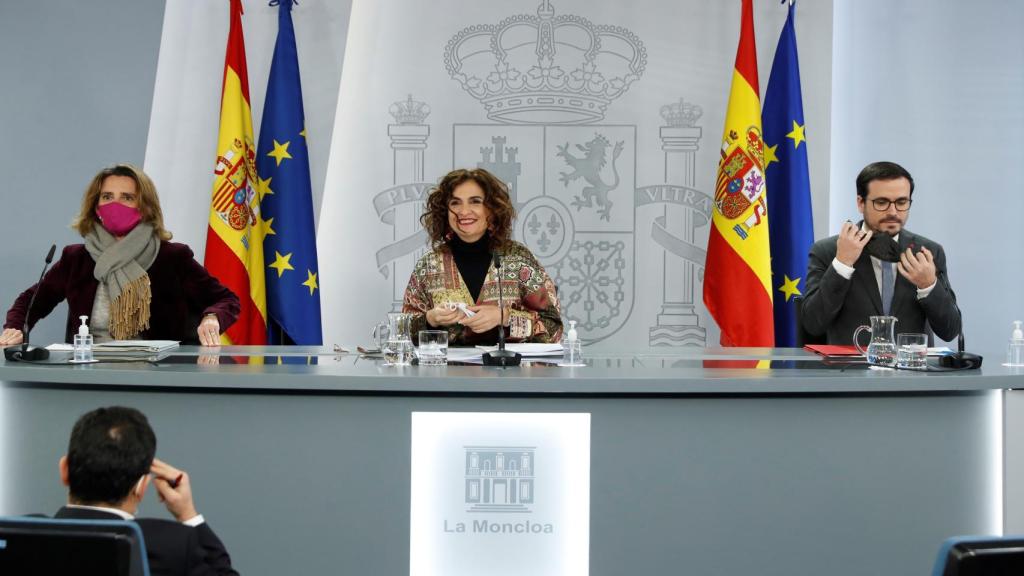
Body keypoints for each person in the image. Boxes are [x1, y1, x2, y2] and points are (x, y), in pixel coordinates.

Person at [0, 164, 239, 346]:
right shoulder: (76, 259)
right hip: (87, 371)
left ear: (145, 206)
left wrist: (212, 318)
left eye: (127, 197)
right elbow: (30, 302)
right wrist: (16, 328)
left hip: (157, 376)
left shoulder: (172, 258)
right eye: (107, 197)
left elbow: (227, 300)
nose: (115, 205)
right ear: (96, 207)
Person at [53, 406, 238, 576]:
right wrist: (188, 514)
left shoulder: (26, 538)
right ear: (141, 487)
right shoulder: (171, 546)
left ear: (64, 470)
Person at [801, 161, 960, 344]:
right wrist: (842, 264)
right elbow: (813, 324)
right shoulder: (828, 251)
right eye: (882, 202)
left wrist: (928, 285)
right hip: (849, 370)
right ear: (861, 203)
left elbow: (950, 331)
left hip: (910, 370)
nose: (893, 211)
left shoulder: (927, 252)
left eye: (901, 202)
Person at [402, 168, 563, 345]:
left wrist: (504, 317)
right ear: (444, 211)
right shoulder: (429, 264)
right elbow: (402, 333)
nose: (464, 211)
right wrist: (430, 319)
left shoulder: (518, 259)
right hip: (445, 371)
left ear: (492, 209)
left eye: (475, 202)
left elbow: (554, 328)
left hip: (508, 370)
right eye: (455, 203)